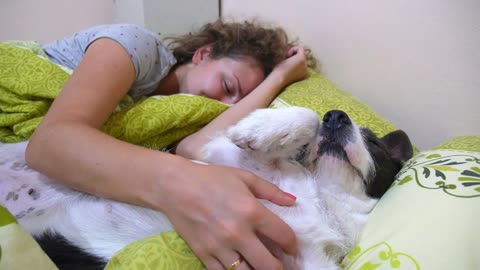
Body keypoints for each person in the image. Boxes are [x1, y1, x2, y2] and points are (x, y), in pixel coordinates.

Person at [25, 19, 314, 270]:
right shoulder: (138, 46)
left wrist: (280, 76)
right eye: (227, 87)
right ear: (203, 54)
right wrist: (179, 186)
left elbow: (194, 150)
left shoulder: (181, 115)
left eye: (238, 103)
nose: (225, 105)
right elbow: (50, 143)